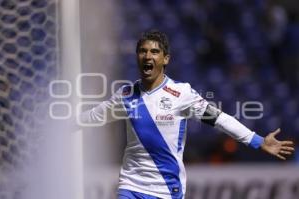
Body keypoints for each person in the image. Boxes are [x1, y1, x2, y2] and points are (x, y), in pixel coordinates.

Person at [79, 30, 295, 199]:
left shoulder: (182, 94)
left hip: (166, 189)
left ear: (166, 59)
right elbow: (94, 116)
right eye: (143, 51)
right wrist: (61, 124)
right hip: (130, 185)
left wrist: (257, 141)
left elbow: (220, 119)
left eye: (154, 52)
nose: (147, 56)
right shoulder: (126, 95)